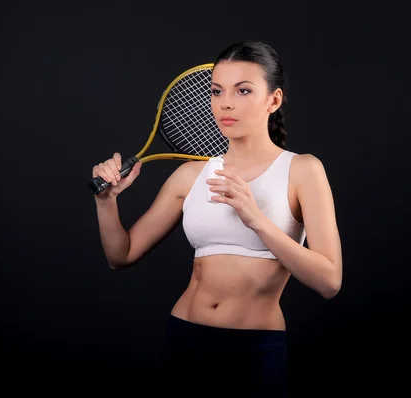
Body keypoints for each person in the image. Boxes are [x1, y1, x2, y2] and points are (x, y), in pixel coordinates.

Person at [91, 40, 342, 395]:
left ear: (274, 100)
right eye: (216, 91)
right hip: (183, 338)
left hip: (254, 351)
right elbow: (121, 255)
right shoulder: (191, 176)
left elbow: (329, 281)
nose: (225, 102)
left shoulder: (303, 170)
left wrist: (256, 219)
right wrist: (106, 202)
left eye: (243, 90)